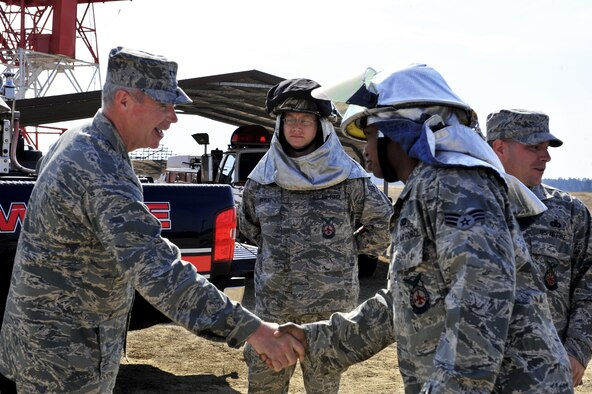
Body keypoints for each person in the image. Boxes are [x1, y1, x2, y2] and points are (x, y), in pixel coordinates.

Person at [0, 47, 304, 393]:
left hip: (46, 348)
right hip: (65, 362)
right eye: (163, 105)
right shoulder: (100, 166)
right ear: (124, 100)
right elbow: (159, 272)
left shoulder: (79, 139)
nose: (173, 117)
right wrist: (255, 331)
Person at [273, 64, 574, 393]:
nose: (365, 150)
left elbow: (480, 309)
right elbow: (403, 301)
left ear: (396, 132)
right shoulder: (428, 189)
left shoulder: (458, 187)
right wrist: (314, 340)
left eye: (371, 135)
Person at [239, 77, 393, 393]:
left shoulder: (349, 178)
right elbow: (250, 227)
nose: (297, 127)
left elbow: (386, 225)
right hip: (274, 311)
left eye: (306, 120)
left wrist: (347, 248)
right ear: (279, 125)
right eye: (290, 120)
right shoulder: (262, 179)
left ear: (321, 126)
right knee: (265, 387)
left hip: (329, 313)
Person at [487, 108, 592, 387]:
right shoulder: (463, 208)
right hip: (475, 376)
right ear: (499, 148)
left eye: (546, 148)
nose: (546, 157)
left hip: (547, 379)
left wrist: (578, 351)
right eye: (534, 147)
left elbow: (589, 286)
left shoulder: (569, 213)